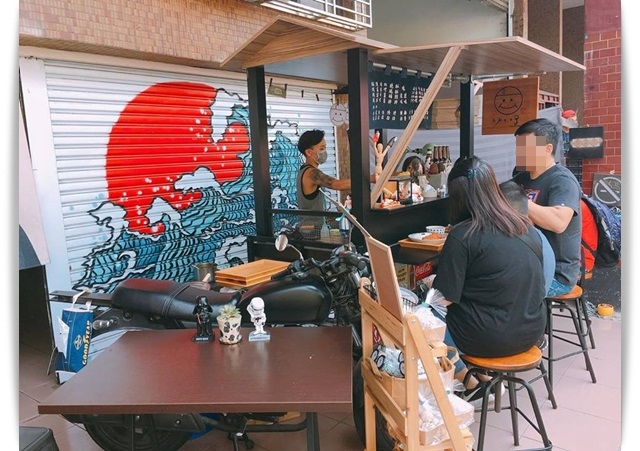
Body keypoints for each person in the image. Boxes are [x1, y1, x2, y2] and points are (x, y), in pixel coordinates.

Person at [429, 156, 547, 407]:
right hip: (533, 330)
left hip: (490, 339)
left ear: (457, 197)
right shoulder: (525, 226)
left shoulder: (462, 235)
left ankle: (471, 385)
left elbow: (442, 299)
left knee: (426, 318)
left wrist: (429, 285)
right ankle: (484, 377)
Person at [512, 118, 582, 297]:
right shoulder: (521, 178)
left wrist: (521, 201)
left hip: (555, 274)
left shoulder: (562, 180)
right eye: (518, 148)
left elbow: (558, 223)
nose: (519, 153)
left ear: (547, 149)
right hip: (525, 263)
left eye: (526, 148)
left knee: (496, 289)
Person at [499, 180, 556, 295]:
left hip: (524, 301)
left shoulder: (512, 242)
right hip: (539, 299)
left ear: (503, 208)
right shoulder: (538, 235)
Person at [296, 129, 351, 228]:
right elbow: (336, 184)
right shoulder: (311, 173)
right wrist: (367, 180)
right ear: (309, 152)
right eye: (321, 148)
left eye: (325, 148)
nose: (324, 152)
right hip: (311, 232)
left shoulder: (305, 171)